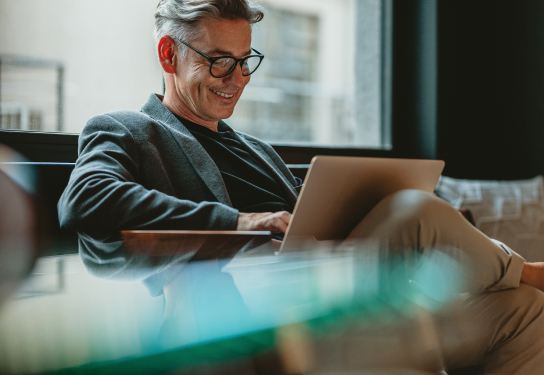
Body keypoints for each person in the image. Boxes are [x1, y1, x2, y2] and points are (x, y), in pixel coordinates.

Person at [58, 0, 544, 373]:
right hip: (257, 317)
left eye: (246, 60)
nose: (238, 78)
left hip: (339, 296)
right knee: (415, 211)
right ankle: (523, 268)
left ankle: (514, 278)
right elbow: (87, 199)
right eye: (220, 61)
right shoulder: (126, 129)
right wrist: (242, 221)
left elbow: (318, 216)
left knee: (524, 310)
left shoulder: (258, 150)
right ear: (168, 53)